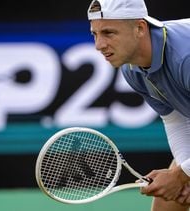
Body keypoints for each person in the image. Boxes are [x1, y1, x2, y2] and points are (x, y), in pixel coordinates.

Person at [87, 0, 190, 210]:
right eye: (95, 34)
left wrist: (182, 175)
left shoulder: (185, 58)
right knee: (166, 204)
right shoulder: (131, 69)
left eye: (108, 33)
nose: (99, 45)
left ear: (140, 28)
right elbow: (175, 120)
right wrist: (184, 176)